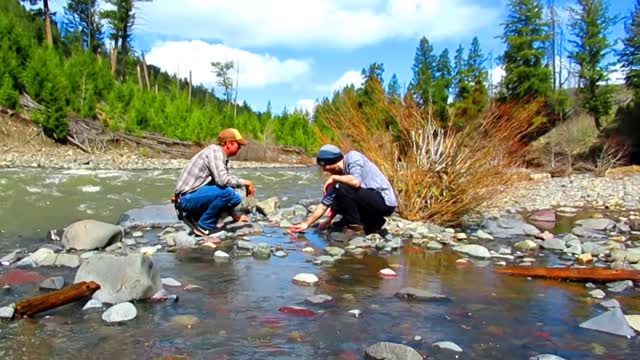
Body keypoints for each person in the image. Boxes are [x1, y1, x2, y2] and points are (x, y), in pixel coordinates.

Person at [289, 144, 397, 237]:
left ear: (331, 162)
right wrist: (307, 223)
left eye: (325, 167)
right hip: (370, 203)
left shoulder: (353, 157)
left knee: (341, 187)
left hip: (385, 202)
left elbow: (356, 182)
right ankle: (374, 222)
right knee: (338, 194)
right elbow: (325, 203)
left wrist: (333, 179)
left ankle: (356, 228)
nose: (325, 170)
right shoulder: (338, 176)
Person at [173, 128, 256, 236]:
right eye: (238, 144)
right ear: (228, 144)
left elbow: (221, 182)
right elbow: (223, 181)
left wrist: (234, 215)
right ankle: (203, 226)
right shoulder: (215, 152)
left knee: (236, 198)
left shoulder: (220, 155)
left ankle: (195, 217)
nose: (240, 148)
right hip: (185, 199)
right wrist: (246, 182)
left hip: (193, 196)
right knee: (228, 192)